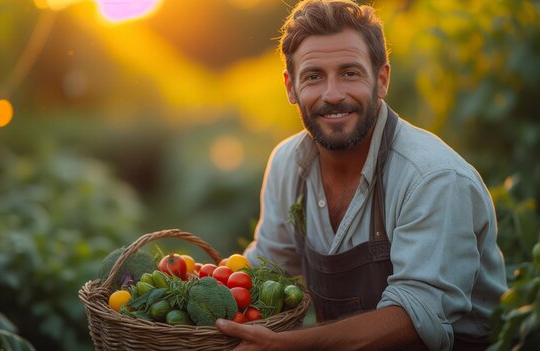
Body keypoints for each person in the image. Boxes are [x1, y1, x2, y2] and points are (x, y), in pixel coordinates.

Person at [215, 0, 508, 350]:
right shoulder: (287, 165)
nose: (333, 95)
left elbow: (416, 318)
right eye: (313, 76)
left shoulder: (432, 177)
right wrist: (194, 298)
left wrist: (290, 345)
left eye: (350, 73)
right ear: (290, 88)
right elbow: (266, 267)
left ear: (381, 80)